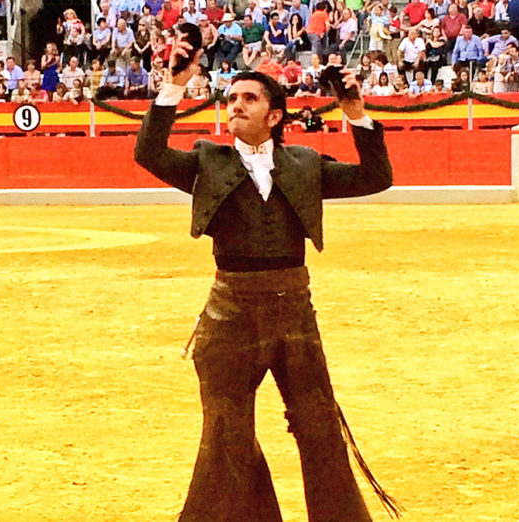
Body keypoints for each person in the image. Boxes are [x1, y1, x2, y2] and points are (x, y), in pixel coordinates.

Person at [134, 34, 398, 522]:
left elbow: (375, 178)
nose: (235, 105)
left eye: (248, 98)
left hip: (296, 312)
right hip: (229, 314)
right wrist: (174, 86)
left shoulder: (306, 164)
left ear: (274, 115)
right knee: (226, 433)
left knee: (319, 425)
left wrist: (356, 113)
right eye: (232, 98)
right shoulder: (206, 160)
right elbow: (149, 154)